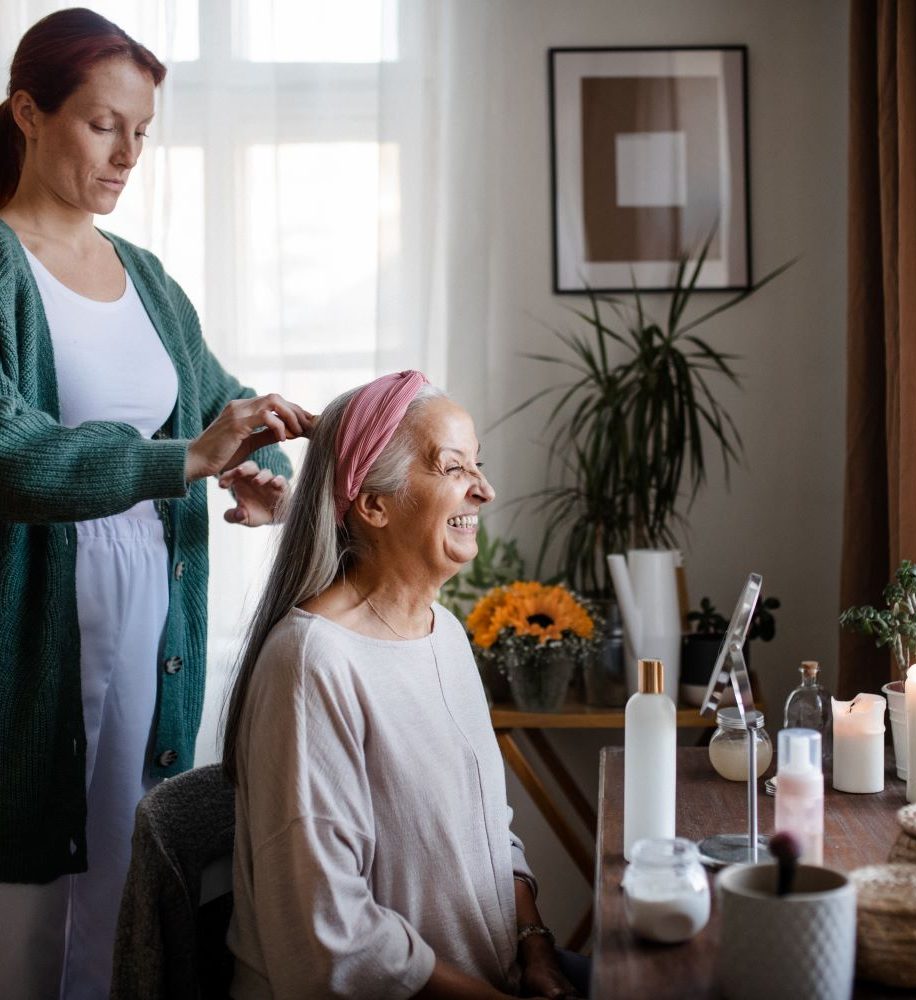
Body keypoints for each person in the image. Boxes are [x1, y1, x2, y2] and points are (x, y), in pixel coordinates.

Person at [0, 9, 311, 998]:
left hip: (150, 623)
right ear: (26, 113)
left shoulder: (146, 278)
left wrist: (262, 469)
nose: (130, 152)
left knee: (124, 894)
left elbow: (219, 407)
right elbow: (15, 457)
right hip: (36, 638)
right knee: (29, 916)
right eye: (103, 125)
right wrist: (185, 458)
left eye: (143, 130)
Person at [223, 371, 588, 999]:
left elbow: (487, 828)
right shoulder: (313, 664)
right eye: (454, 469)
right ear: (373, 504)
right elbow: (332, 940)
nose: (486, 490)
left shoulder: (443, 631)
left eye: (479, 465)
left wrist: (536, 947)